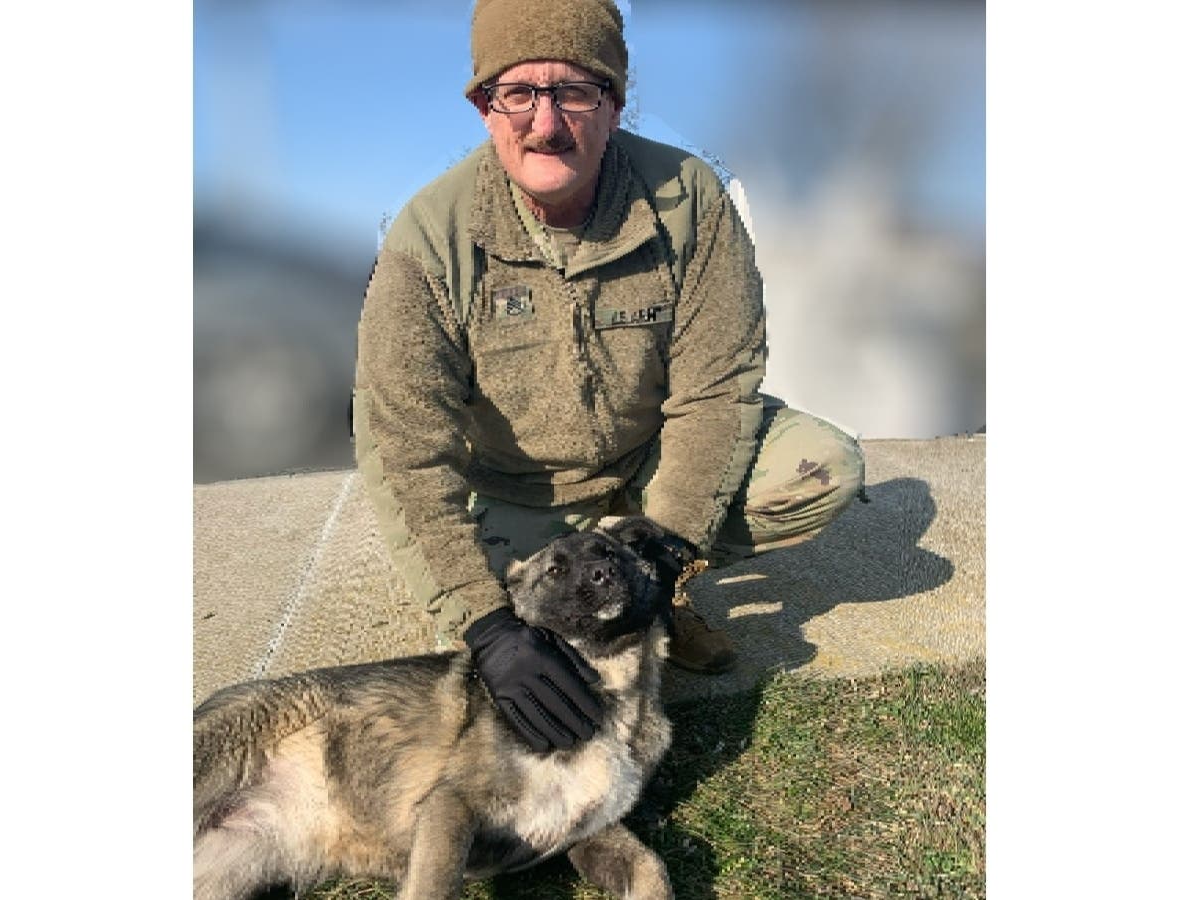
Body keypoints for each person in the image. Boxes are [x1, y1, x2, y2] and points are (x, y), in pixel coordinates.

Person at [353, 0, 865, 752]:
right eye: (518, 93)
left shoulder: (690, 198)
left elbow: (717, 387)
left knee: (822, 469)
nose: (547, 123)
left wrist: (667, 549)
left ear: (616, 103)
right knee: (497, 655)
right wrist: (486, 621)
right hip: (516, 496)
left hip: (649, 467)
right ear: (483, 107)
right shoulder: (428, 236)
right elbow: (402, 447)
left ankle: (654, 599)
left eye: (575, 91)